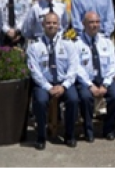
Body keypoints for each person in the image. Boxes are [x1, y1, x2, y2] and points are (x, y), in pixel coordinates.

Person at [27, 13, 80, 150]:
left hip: (64, 82)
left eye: (54, 23)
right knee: (40, 100)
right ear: (43, 25)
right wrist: (48, 87)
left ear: (59, 25)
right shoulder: (35, 46)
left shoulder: (68, 44)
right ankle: (41, 136)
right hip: (44, 84)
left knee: (73, 99)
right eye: (48, 23)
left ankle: (69, 134)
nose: (51, 26)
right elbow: (34, 71)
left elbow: (73, 68)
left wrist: (64, 86)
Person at [75, 12, 115, 142]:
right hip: (86, 81)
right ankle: (88, 130)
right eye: (91, 22)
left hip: (104, 79)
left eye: (97, 22)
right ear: (84, 24)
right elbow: (77, 68)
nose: (94, 25)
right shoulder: (77, 44)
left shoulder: (106, 42)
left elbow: (113, 66)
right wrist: (90, 85)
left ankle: (109, 129)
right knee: (85, 97)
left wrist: (105, 84)